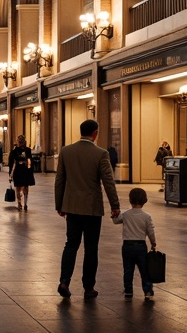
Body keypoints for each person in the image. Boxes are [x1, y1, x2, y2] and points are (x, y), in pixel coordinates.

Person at [55, 119, 121, 299]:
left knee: (71, 244)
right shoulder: (101, 154)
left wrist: (59, 205)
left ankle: (64, 281)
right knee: (91, 248)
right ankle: (88, 287)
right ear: (95, 133)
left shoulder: (66, 151)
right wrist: (115, 206)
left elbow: (60, 180)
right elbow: (108, 182)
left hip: (72, 207)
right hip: (92, 209)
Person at [113, 187, 158, 300]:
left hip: (127, 246)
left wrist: (114, 213)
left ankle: (128, 290)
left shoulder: (126, 214)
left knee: (128, 269)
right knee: (144, 270)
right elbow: (150, 231)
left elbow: (116, 221)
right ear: (144, 200)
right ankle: (147, 291)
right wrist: (153, 243)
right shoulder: (146, 216)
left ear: (130, 200)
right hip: (141, 246)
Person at [8, 134, 36, 211]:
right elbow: (29, 160)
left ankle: (21, 203)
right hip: (22, 170)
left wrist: (10, 173)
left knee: (20, 187)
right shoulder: (18, 151)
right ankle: (23, 203)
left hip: (21, 170)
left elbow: (12, 163)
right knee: (22, 187)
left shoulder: (18, 151)